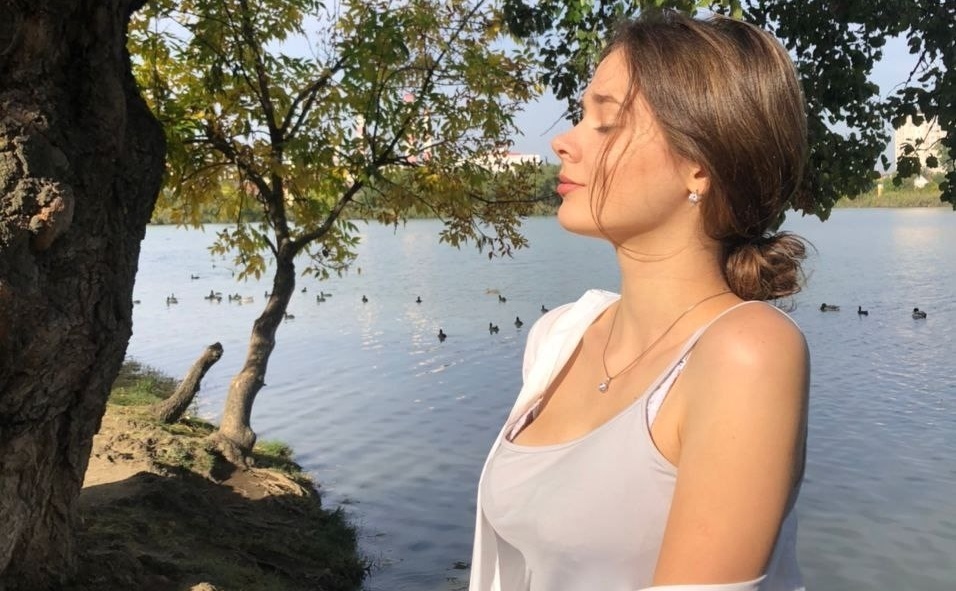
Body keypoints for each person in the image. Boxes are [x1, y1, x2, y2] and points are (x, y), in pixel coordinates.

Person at [470, 10, 810, 591]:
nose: (563, 141)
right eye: (581, 116)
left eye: (605, 122)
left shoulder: (745, 354)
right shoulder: (559, 338)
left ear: (700, 165)